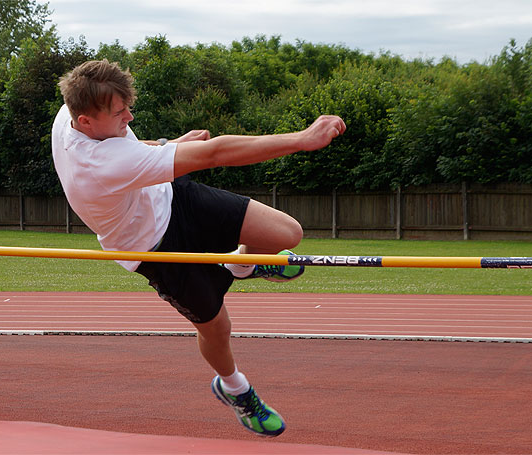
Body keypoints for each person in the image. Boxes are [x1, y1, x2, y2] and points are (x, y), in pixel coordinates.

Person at [51, 60, 346, 437]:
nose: (130, 115)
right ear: (87, 121)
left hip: (173, 197)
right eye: (119, 112)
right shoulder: (96, 166)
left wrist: (166, 147)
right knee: (218, 328)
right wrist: (301, 139)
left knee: (286, 233)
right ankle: (234, 388)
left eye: (128, 106)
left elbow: (129, 147)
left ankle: (242, 265)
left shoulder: (70, 111)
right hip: (154, 248)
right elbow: (214, 154)